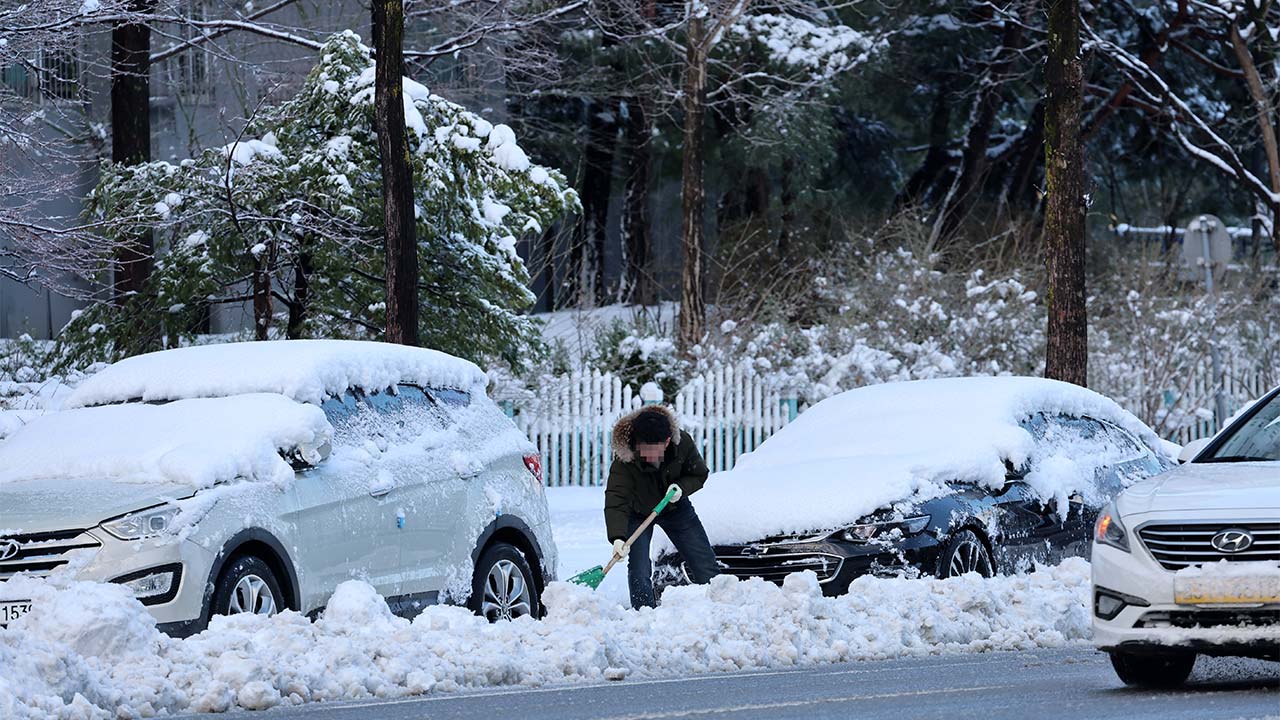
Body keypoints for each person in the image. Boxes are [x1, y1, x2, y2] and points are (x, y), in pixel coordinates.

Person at [604, 404, 719, 609]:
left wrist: (681, 488)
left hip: (674, 507)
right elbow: (616, 497)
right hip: (637, 512)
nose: (647, 455)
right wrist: (618, 537)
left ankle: (720, 605)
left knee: (703, 559)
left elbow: (699, 473)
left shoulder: (682, 443)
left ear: (666, 442)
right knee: (639, 568)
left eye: (652, 450)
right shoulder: (625, 457)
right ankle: (643, 613)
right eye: (643, 449)